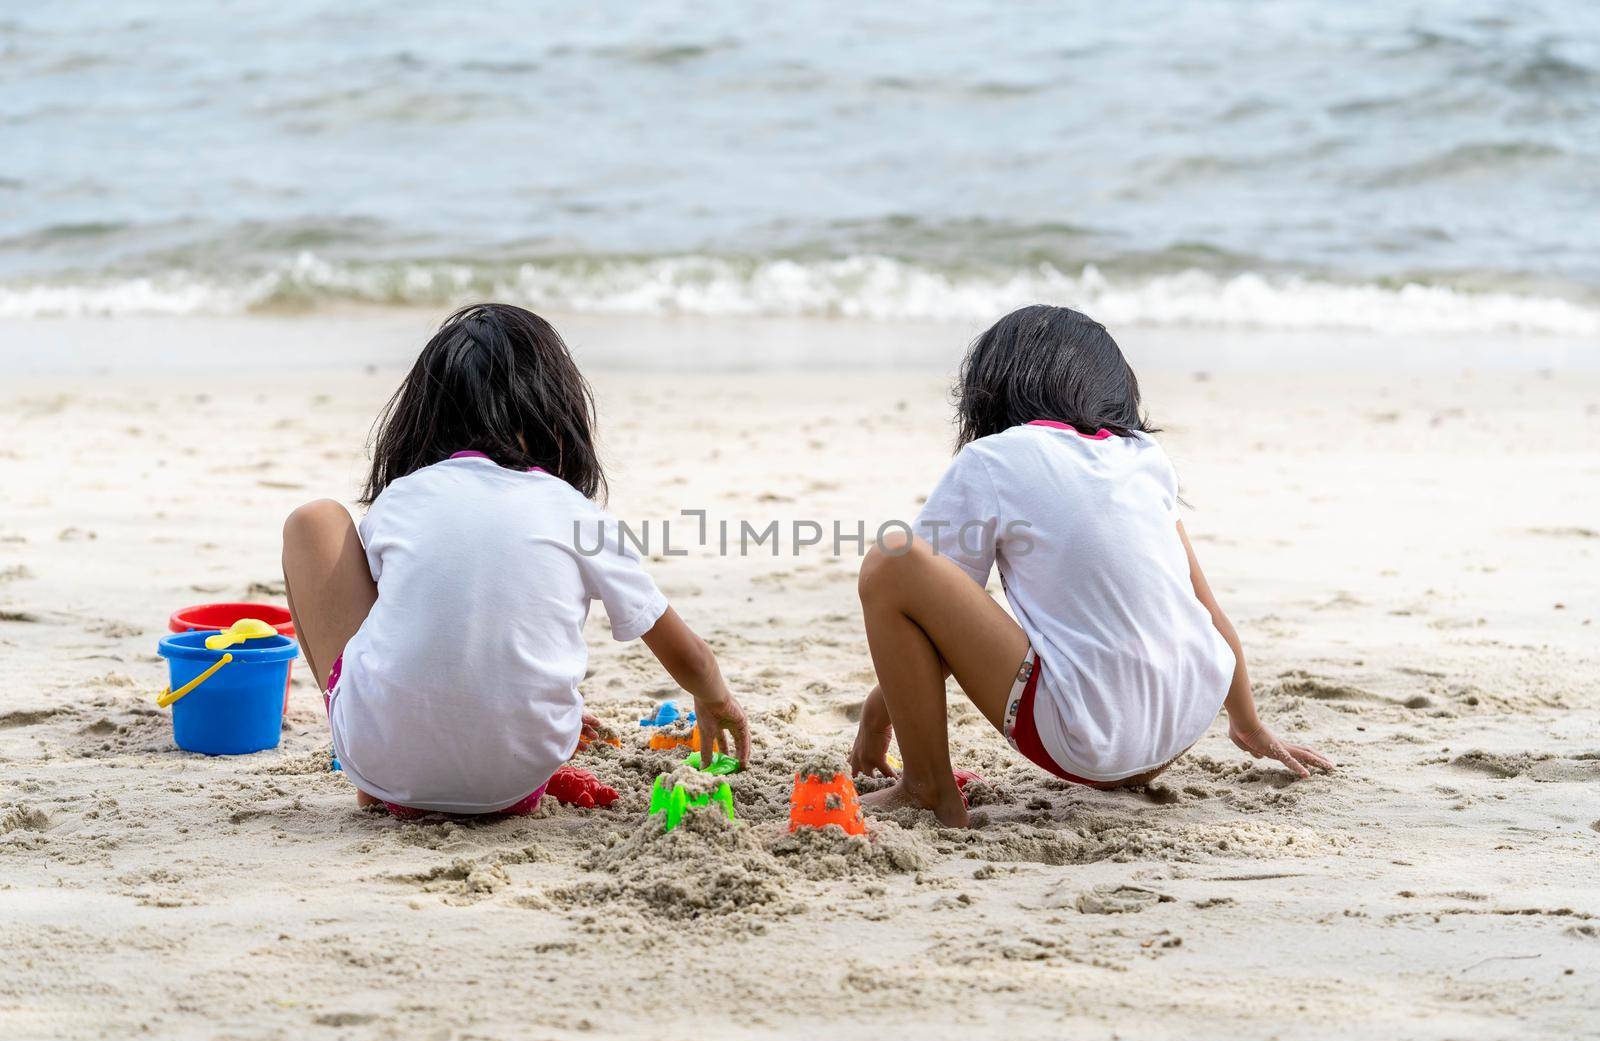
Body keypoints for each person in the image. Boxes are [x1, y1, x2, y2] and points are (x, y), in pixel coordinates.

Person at [849, 305, 1331, 827]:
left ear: (993, 387)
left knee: (890, 561)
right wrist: (1248, 725)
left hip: (1084, 742)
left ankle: (926, 787)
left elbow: (931, 625)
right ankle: (1213, 725)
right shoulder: (1144, 456)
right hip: (1185, 723)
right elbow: (1205, 607)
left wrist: (878, 720)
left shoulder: (993, 460)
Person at [281, 303, 749, 818]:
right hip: (519, 778)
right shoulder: (574, 511)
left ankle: (372, 774)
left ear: (423, 418)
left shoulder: (403, 497)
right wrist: (715, 701)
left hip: (383, 767)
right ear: (555, 413)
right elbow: (691, 659)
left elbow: (402, 624)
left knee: (315, 522)